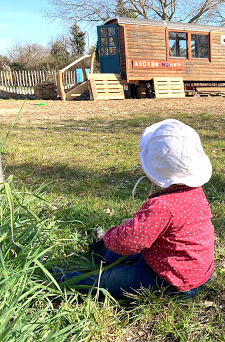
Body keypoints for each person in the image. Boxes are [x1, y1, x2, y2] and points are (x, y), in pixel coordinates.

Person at [58, 119, 215, 299]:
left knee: (105, 281)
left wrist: (118, 231)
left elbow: (127, 243)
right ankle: (104, 253)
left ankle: (59, 279)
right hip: (197, 273)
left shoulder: (161, 206)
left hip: (167, 281)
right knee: (134, 252)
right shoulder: (196, 192)